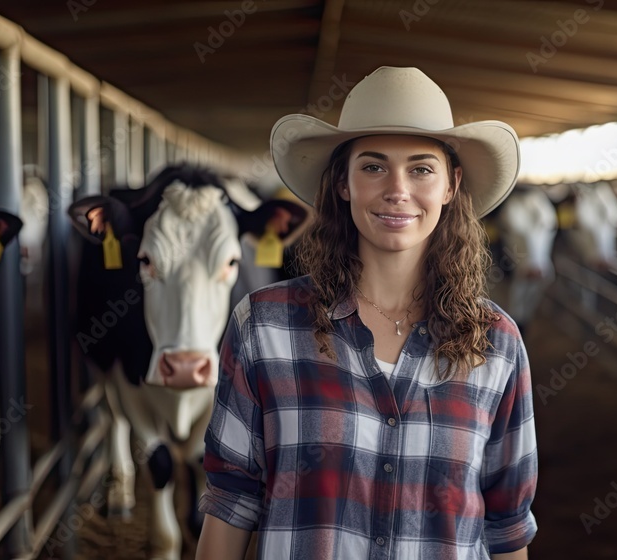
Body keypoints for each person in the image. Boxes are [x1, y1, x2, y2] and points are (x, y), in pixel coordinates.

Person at [196, 66, 537, 559]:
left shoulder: (497, 343)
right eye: (373, 167)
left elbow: (506, 524)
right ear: (342, 183)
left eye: (421, 168)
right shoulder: (264, 327)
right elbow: (231, 499)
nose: (396, 189)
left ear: (450, 185)